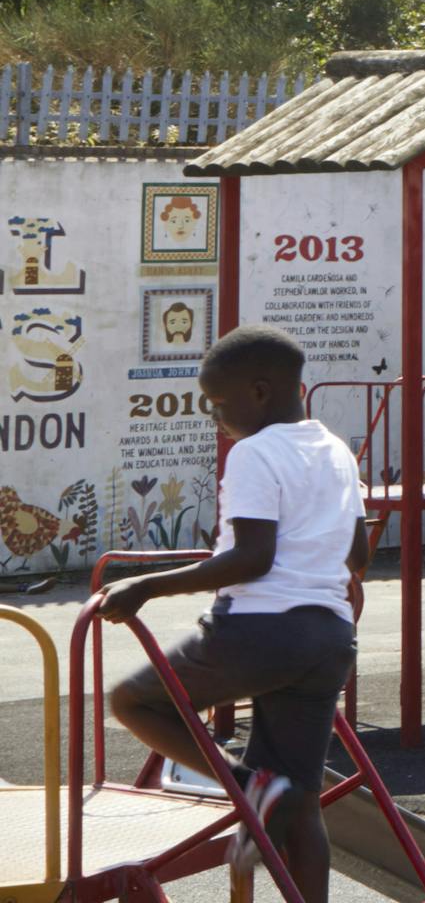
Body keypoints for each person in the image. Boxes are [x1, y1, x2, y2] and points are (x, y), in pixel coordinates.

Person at [98, 325, 366, 901]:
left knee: (133, 701)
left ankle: (249, 786)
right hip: (329, 637)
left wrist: (146, 586)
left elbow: (251, 558)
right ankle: (271, 801)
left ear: (261, 392)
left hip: (260, 630)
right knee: (301, 800)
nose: (215, 419)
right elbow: (358, 552)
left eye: (219, 405)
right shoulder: (336, 451)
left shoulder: (254, 452)